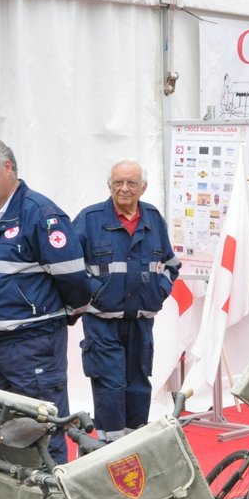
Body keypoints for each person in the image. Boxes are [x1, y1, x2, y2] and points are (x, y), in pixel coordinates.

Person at [0, 137, 97, 465]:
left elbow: (74, 279)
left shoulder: (39, 213)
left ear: (7, 167)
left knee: (43, 429)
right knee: (12, 431)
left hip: (32, 343)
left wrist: (55, 313)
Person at [75, 160, 180, 441]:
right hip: (102, 322)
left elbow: (171, 264)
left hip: (141, 322)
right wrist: (94, 294)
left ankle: (134, 444)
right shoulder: (90, 219)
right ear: (109, 185)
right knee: (109, 385)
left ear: (143, 187)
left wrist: (159, 292)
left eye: (131, 183)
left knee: (138, 384)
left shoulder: (153, 219)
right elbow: (71, 267)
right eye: (118, 182)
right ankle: (109, 447)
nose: (124, 188)